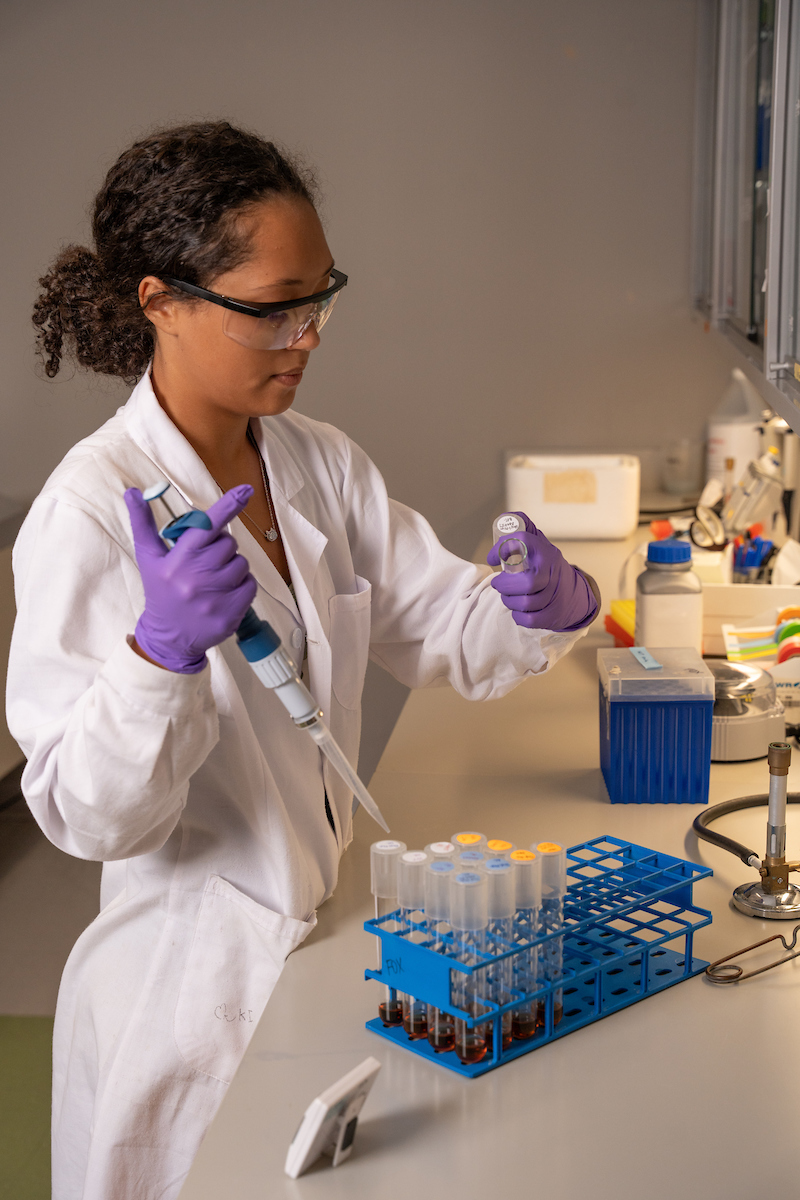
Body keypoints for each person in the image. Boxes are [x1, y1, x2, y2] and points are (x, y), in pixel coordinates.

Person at [6, 121, 599, 1200]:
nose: (307, 332)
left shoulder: (316, 462)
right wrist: (158, 655)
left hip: (319, 947)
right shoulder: (91, 510)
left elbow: (437, 624)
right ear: (161, 300)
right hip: (185, 993)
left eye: (319, 297)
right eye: (274, 305)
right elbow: (85, 817)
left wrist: (534, 608)